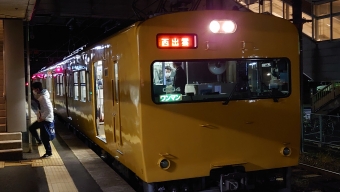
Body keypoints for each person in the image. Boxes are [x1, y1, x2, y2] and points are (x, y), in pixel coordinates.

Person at [29, 82, 55, 158]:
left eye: (33, 89)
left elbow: (49, 109)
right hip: (43, 118)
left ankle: (48, 152)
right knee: (32, 128)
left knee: (45, 136)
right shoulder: (41, 96)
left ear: (37, 89)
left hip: (46, 119)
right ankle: (39, 141)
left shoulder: (43, 97)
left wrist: (42, 117)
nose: (33, 91)